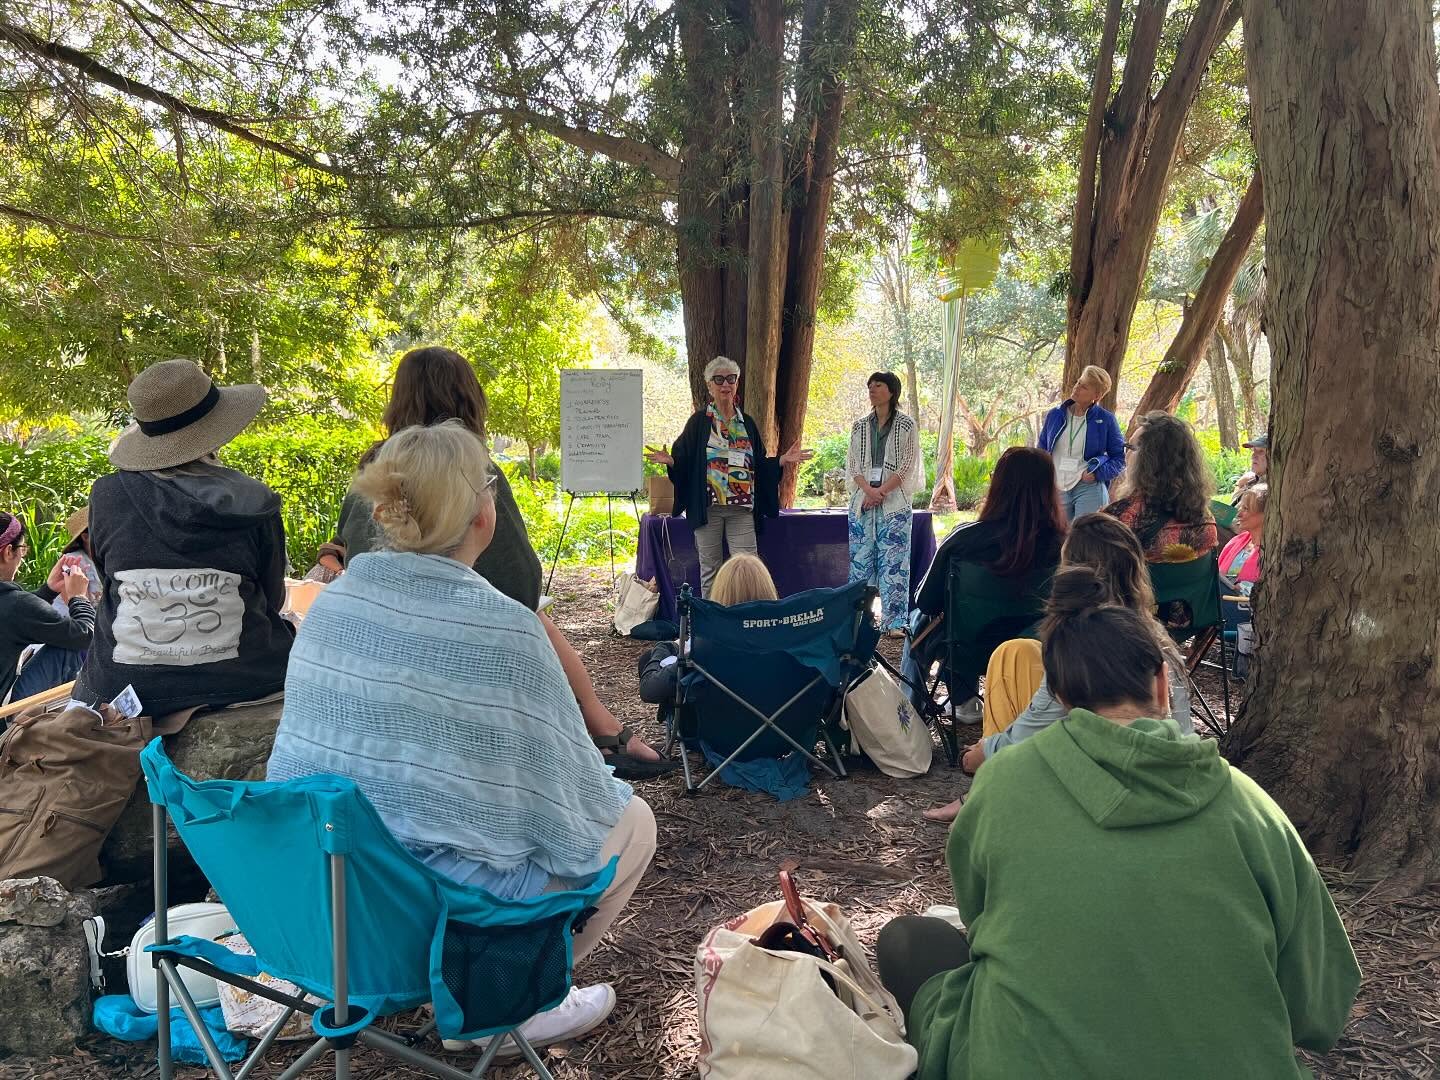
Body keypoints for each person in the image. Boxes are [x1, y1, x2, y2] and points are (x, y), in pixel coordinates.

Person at [876, 566, 1361, 1080]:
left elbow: (981, 922)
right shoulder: (1253, 809)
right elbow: (1320, 1007)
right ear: (1162, 683)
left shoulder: (1004, 782)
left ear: (1059, 697)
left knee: (909, 942)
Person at [268, 422, 656, 1057]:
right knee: (632, 821)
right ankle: (507, 1006)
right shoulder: (506, 628)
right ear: (482, 513)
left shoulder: (330, 606)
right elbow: (575, 795)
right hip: (444, 919)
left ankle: (484, 996)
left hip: (324, 901)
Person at [315, 346, 671, 779]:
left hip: (379, 639)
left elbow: (353, 548)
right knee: (535, 619)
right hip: (457, 643)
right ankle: (601, 731)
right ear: (466, 398)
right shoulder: (471, 470)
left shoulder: (373, 470)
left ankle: (600, 728)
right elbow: (519, 584)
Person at [921, 513, 1192, 823]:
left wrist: (982, 755)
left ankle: (987, 794)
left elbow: (1033, 729)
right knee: (1017, 653)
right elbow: (1183, 734)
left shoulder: (1081, 644)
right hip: (1168, 776)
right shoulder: (1159, 640)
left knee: (1015, 666)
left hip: (1106, 792)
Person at [72, 359, 293, 719]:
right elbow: (274, 597)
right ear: (215, 430)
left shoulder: (106, 496)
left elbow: (109, 578)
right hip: (248, 678)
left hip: (126, 685)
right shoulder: (255, 501)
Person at [902, 447, 1067, 713]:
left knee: (920, 619)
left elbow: (926, 601)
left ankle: (913, 709)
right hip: (1033, 652)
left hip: (965, 650)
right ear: (1049, 490)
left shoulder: (963, 539)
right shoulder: (1065, 547)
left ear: (998, 486)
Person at [644, 356, 811, 596]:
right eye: (719, 379)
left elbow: (759, 464)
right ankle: (711, 617)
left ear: (737, 383)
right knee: (710, 570)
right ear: (709, 386)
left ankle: (747, 615)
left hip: (741, 510)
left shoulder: (747, 423)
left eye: (731, 379)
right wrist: (671, 461)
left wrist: (782, 460)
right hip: (708, 510)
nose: (725, 384)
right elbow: (685, 460)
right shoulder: (699, 423)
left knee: (748, 569)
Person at [637, 552, 778, 706]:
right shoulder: (789, 643)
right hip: (777, 717)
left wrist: (666, 647)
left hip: (718, 719)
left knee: (651, 659)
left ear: (719, 594)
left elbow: (649, 691)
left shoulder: (704, 649)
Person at [847, 372, 924, 636]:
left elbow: (906, 465)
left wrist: (880, 492)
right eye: (869, 385)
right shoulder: (859, 426)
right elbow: (853, 465)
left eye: (878, 385)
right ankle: (858, 619)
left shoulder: (906, 425)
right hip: (863, 502)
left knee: (895, 563)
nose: (872, 389)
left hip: (894, 504)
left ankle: (894, 623)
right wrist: (868, 491)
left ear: (892, 391)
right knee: (860, 562)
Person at [0, 511, 95, 707]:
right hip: (4, 712)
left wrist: (48, 590)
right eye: (22, 549)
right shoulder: (15, 603)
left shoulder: (13, 604)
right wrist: (78, 597)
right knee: (67, 648)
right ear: (8, 552)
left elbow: (16, 616)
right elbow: (85, 635)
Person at [1102, 411, 1219, 564]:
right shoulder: (1206, 523)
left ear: (1147, 460)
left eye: (1130, 447)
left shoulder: (1118, 519)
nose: (1126, 455)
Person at [1037, 365, 1126, 520]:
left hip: (1088, 489)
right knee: (1058, 534)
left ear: (1097, 395)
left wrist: (1097, 474)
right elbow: (1042, 450)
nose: (1076, 387)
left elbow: (1119, 459)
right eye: (1078, 382)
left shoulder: (1106, 419)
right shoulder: (1055, 415)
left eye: (1084, 387)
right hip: (1057, 487)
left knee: (1085, 533)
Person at [1221, 483, 1267, 593]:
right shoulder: (1236, 541)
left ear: (1266, 513)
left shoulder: (1273, 553)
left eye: (1246, 509)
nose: (1238, 514)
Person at [1232, 432, 1269, 504]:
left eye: (1261, 451)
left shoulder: (1265, 489)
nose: (1253, 456)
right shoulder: (1251, 480)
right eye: (1254, 450)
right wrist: (1239, 485)